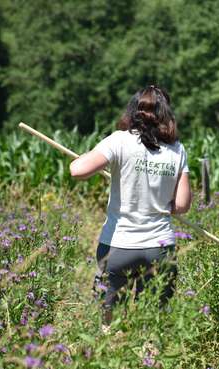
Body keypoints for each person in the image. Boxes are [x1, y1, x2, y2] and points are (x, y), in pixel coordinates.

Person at [69, 85, 191, 326]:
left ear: (133, 111)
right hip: (160, 248)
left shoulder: (119, 141)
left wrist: (90, 157)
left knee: (110, 328)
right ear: (166, 114)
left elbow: (77, 170)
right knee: (153, 327)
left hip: (118, 247)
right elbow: (181, 205)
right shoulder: (177, 150)